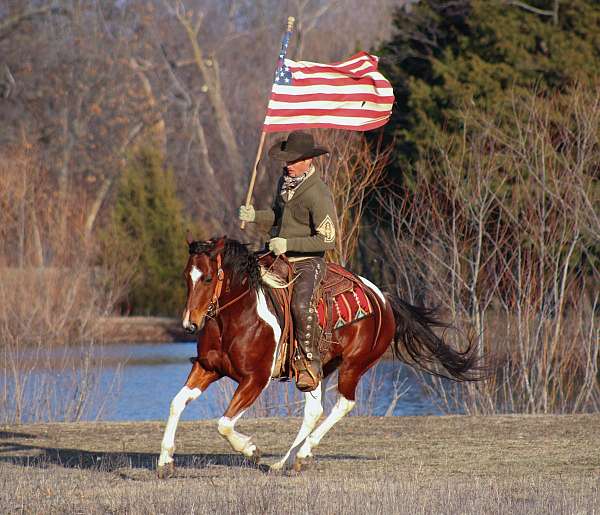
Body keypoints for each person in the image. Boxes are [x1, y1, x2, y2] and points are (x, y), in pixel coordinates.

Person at [238, 131, 337, 392]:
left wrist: (289, 244)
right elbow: (277, 217)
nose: (288, 165)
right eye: (286, 160)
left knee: (301, 304)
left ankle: (309, 364)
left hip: (307, 261)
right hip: (277, 255)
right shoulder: (285, 182)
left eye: (293, 161)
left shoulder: (319, 194)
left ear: (308, 161)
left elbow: (328, 240)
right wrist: (255, 215)